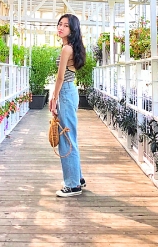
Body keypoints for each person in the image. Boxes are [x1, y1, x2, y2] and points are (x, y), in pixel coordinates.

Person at [49, 13, 86, 197]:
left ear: (72, 30)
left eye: (65, 25)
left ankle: (73, 185)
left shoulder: (66, 49)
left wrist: (54, 98)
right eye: (60, 24)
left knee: (67, 138)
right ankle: (77, 177)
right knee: (70, 136)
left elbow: (60, 77)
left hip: (65, 92)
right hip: (70, 91)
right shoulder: (70, 47)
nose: (61, 27)